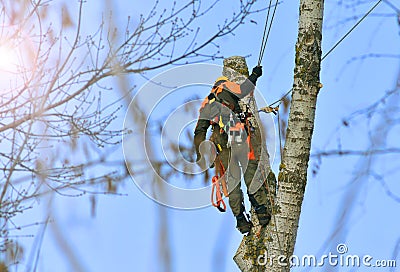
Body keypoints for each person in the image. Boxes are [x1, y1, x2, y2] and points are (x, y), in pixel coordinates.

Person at [194, 64, 271, 234]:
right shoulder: (226, 86)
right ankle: (261, 210)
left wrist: (201, 155)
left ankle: (241, 220)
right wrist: (255, 75)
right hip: (237, 137)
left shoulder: (206, 104)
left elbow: (199, 131)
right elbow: (244, 89)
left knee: (232, 182)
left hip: (221, 146)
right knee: (250, 170)